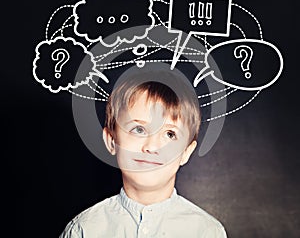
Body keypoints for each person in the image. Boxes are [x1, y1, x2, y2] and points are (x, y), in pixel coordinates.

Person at [60, 71, 227, 238]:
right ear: (112, 141)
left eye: (170, 134)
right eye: (139, 130)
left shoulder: (207, 232)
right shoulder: (83, 230)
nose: (152, 147)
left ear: (186, 152)